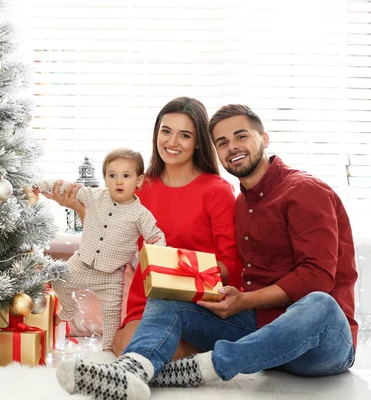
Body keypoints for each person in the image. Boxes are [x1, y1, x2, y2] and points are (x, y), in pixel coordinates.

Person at [55, 104, 358, 400]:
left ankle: (203, 368)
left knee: (319, 303)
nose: (232, 147)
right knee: (168, 294)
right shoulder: (243, 202)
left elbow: (317, 277)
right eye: (223, 142)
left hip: (318, 344)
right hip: (259, 332)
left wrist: (243, 301)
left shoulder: (304, 191)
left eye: (242, 136)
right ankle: (132, 371)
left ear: (264, 139)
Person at [43, 96, 243, 360]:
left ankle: (200, 354)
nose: (172, 142)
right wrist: (75, 206)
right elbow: (112, 233)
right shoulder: (140, 187)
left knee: (147, 351)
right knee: (122, 345)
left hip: (196, 304)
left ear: (197, 143)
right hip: (148, 302)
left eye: (184, 135)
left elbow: (232, 267)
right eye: (166, 131)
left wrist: (175, 270)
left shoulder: (216, 191)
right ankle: (187, 359)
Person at [34, 148, 166, 351]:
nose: (119, 181)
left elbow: (155, 235)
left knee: (112, 322)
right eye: (112, 175)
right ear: (105, 179)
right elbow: (66, 187)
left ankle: (106, 353)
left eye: (126, 176)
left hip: (111, 276)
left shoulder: (141, 214)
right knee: (58, 280)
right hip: (82, 263)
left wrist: (158, 248)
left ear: (138, 181)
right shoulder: (94, 196)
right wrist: (41, 185)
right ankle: (69, 308)